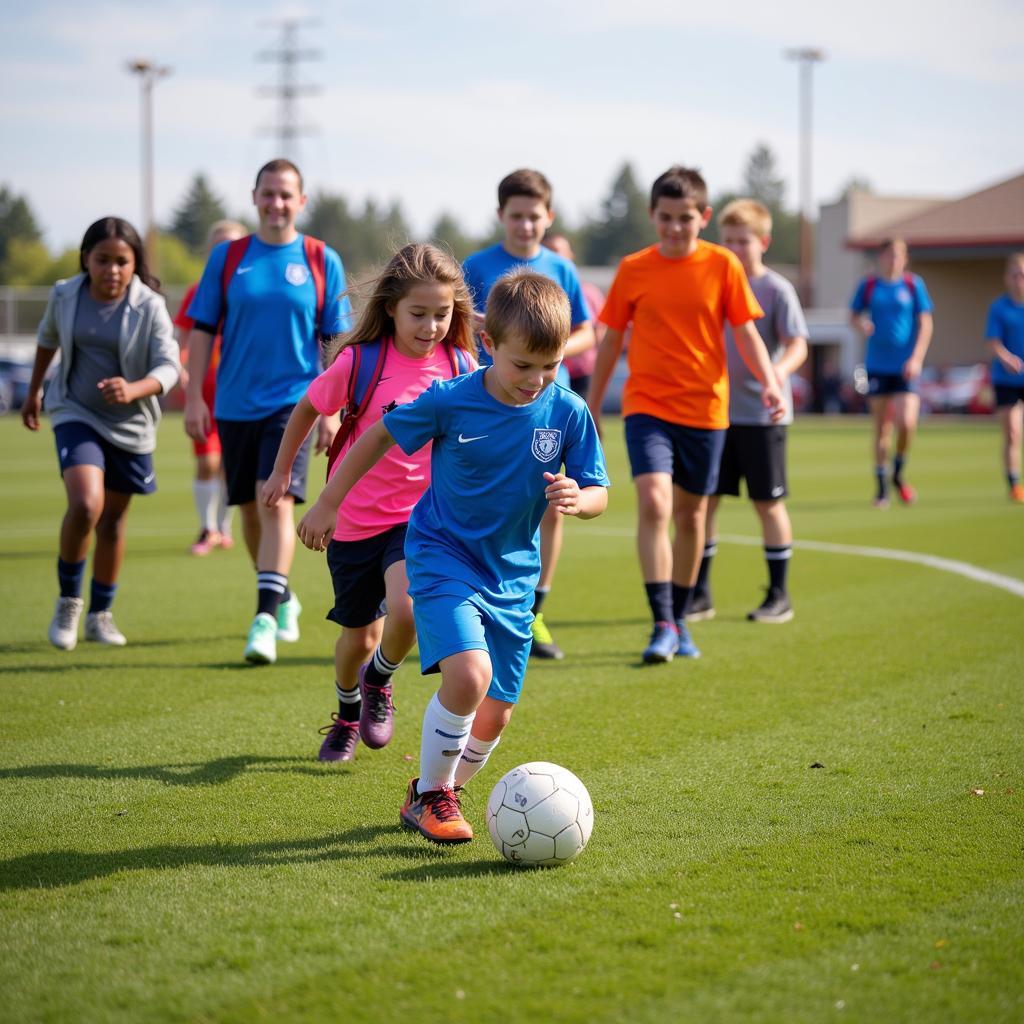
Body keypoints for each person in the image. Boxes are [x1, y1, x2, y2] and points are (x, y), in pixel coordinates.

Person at [296, 270, 608, 843]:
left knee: (496, 712)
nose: (536, 381)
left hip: (512, 575)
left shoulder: (568, 411)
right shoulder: (451, 399)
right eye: (522, 366)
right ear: (490, 345)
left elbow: (599, 489)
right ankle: (431, 795)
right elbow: (377, 437)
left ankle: (444, 791)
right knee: (469, 674)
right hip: (442, 557)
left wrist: (579, 499)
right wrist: (327, 502)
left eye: (550, 366)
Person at [261, 243, 477, 763]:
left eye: (442, 315)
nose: (430, 327)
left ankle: (380, 680)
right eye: (418, 314)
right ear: (390, 309)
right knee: (358, 638)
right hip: (354, 519)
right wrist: (282, 472)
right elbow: (308, 408)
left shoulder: (460, 362)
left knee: (406, 609)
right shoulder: (363, 361)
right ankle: (347, 710)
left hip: (421, 520)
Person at [587, 165, 784, 664]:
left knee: (693, 515)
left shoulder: (723, 266)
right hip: (647, 407)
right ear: (653, 216)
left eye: (686, 218)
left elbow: (745, 333)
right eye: (666, 218)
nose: (676, 228)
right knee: (655, 503)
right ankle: (662, 623)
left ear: (705, 216)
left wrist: (771, 385)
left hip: (707, 411)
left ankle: (680, 619)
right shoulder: (634, 269)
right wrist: (592, 401)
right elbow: (611, 340)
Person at [183, 159, 351, 665]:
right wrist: (194, 397)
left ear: (302, 202)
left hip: (294, 404)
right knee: (250, 512)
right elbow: (202, 329)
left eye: (286, 195)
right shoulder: (229, 258)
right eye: (268, 194)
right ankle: (282, 595)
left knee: (273, 500)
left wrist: (330, 410)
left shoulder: (322, 259)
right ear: (254, 197)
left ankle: (261, 619)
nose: (277, 203)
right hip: (233, 405)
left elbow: (336, 340)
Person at [21, 217, 180, 650]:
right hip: (75, 411)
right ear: (85, 260)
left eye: (121, 261)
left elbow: (169, 367)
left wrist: (133, 389)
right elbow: (47, 339)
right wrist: (34, 392)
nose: (111, 269)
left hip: (130, 424)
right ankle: (69, 602)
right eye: (102, 259)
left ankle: (100, 615)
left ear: (134, 264)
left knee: (112, 522)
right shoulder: (64, 294)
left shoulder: (149, 305)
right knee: (86, 504)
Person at [463, 169, 596, 661]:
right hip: (488, 407)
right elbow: (458, 326)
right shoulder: (477, 266)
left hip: (546, 412)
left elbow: (586, 331)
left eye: (533, 217)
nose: (524, 225)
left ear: (549, 217)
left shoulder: (560, 267)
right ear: (501, 216)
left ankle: (532, 611)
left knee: (551, 507)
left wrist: (556, 349)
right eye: (515, 216)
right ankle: (469, 602)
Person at [690, 199, 808, 625]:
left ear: (764, 242)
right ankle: (698, 593)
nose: (736, 249)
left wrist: (775, 372)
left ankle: (779, 594)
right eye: (728, 241)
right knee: (705, 503)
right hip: (714, 413)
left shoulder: (777, 290)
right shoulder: (711, 282)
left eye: (745, 241)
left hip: (763, 415)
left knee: (767, 503)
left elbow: (798, 343)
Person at [172, 219, 246, 555]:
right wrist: (181, 366)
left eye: (230, 244)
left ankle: (224, 527)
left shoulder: (252, 289)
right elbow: (183, 337)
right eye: (218, 245)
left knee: (231, 466)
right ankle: (207, 529)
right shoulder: (198, 289)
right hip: (205, 394)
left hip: (240, 394)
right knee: (207, 462)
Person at [849, 238, 934, 507]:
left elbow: (925, 323)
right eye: (888, 255)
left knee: (907, 422)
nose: (893, 259)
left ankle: (898, 472)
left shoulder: (913, 285)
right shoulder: (869, 285)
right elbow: (852, 315)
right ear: (880, 257)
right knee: (881, 427)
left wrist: (916, 358)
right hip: (876, 366)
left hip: (905, 367)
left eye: (898, 255)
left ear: (905, 258)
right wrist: (861, 324)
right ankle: (882, 488)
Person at [542, 233, 605, 399]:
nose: (555, 257)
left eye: (558, 251)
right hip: (547, 371)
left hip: (583, 372)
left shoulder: (589, 293)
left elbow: (599, 332)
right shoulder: (537, 298)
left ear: (570, 255)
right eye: (548, 252)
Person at [984, 252, 1024, 503]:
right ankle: (1014, 483)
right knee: (1011, 432)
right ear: (1007, 278)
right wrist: (1007, 358)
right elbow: (992, 341)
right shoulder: (998, 308)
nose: (1020, 279)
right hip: (1007, 379)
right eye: (1016, 274)